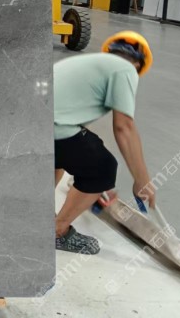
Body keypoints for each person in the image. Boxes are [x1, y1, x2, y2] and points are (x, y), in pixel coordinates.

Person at [52, 30, 155, 254]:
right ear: (139, 65)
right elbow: (124, 127)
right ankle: (57, 231)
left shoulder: (88, 63)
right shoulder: (126, 69)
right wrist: (142, 180)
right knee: (103, 167)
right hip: (53, 128)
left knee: (69, 152)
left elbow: (73, 129)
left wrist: (98, 190)